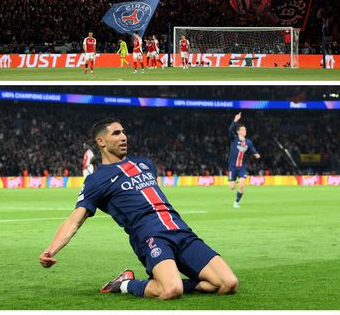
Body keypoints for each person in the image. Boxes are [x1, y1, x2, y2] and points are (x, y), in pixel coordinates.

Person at [39, 118, 238, 300]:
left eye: (124, 132)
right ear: (101, 142)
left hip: (181, 230)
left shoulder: (145, 164)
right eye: (116, 133)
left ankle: (166, 280)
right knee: (171, 290)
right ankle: (124, 284)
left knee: (228, 284)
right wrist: (51, 250)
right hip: (150, 236)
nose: (124, 137)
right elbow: (75, 220)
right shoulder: (96, 181)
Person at [227, 112, 260, 208]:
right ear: (238, 131)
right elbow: (230, 130)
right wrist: (235, 120)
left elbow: (253, 149)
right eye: (242, 129)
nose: (245, 131)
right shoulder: (234, 139)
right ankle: (236, 181)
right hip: (232, 166)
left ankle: (236, 202)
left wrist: (256, 154)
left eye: (245, 129)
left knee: (242, 185)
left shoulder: (248, 142)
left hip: (242, 166)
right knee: (232, 187)